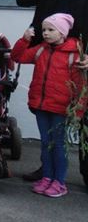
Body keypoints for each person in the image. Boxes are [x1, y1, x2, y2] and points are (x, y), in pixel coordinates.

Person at [16, 0, 88, 186]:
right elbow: (23, 0)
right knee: (50, 117)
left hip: (81, 58)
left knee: (84, 117)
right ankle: (48, 170)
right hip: (53, 56)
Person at [11, 13, 84, 198]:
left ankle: (59, 182)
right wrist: (24, 40)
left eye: (51, 30)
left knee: (58, 145)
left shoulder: (74, 54)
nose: (46, 33)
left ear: (62, 32)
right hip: (41, 105)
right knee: (46, 144)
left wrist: (78, 109)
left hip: (61, 108)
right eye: (44, 30)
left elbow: (81, 85)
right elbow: (17, 56)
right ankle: (47, 177)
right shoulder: (41, 50)